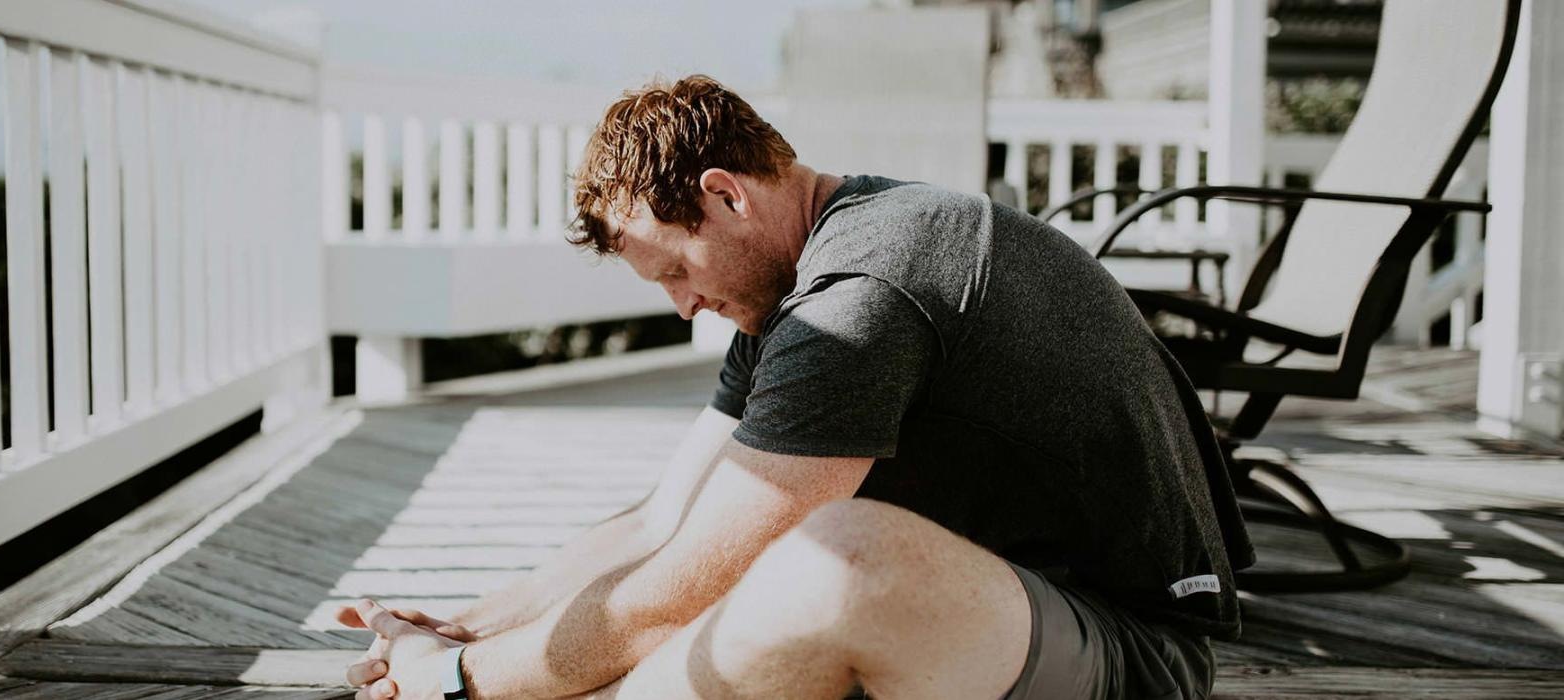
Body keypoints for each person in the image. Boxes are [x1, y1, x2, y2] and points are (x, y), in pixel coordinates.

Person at [336, 74, 1252, 700]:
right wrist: (465, 627)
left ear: (727, 195)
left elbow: (689, 583)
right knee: (749, 555)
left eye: (674, 272)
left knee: (836, 561)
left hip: (1130, 652)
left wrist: (459, 680)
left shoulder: (862, 291)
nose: (683, 306)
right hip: (1002, 602)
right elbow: (663, 525)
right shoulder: (797, 281)